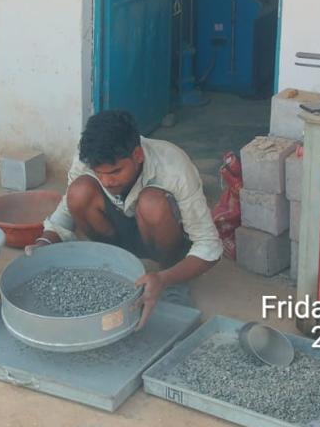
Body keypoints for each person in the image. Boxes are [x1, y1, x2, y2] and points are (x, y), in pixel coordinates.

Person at [31, 110, 222, 326]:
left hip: (163, 237)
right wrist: (45, 241)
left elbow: (209, 245)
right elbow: (68, 206)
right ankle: (113, 265)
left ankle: (172, 283)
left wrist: (163, 279)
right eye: (99, 173)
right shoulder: (88, 156)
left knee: (152, 203)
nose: (107, 181)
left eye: (115, 172)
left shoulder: (173, 165)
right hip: (119, 232)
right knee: (79, 191)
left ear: (137, 155)